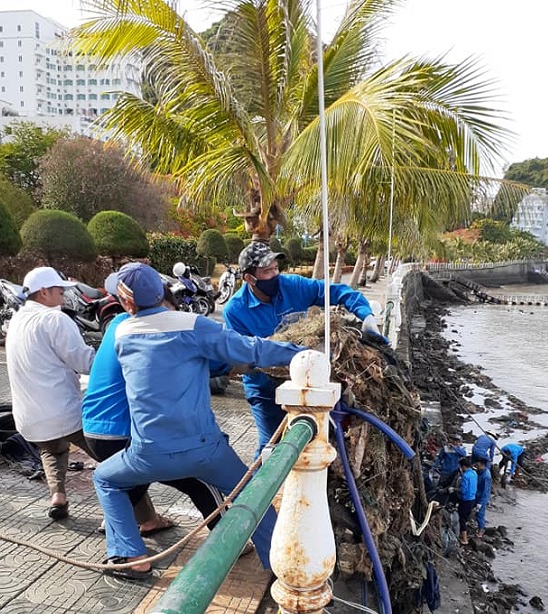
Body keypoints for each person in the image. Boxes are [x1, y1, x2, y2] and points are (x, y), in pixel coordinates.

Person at [92, 263, 307, 579]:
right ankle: (281, 566)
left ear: (127, 303)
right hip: (206, 451)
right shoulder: (194, 325)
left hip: (146, 455)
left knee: (106, 479)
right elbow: (251, 350)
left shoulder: (122, 333)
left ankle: (131, 556)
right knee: (253, 494)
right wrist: (300, 353)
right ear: (164, 291)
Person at [82, 275, 227, 536]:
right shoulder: (151, 332)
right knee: (199, 476)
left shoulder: (118, 325)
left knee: (130, 478)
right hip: (123, 432)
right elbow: (212, 360)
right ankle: (230, 537)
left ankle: (132, 522)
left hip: (94, 429)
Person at [222, 241, 385, 456]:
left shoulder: (292, 286)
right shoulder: (235, 310)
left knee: (317, 437)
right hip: (264, 389)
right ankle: (258, 485)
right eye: (266, 271)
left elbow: (337, 291)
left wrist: (366, 315)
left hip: (306, 379)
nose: (274, 274)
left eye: (275, 268)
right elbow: (243, 355)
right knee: (271, 445)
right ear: (249, 278)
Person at [6, 266, 95, 519]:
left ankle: (58, 496)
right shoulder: (55, 319)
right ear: (43, 292)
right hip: (63, 414)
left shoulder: (17, 320)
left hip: (28, 419)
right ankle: (146, 518)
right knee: (112, 457)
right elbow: (84, 361)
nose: (63, 296)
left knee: (52, 449)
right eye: (59, 290)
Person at [456, 457, 477, 546]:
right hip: (473, 499)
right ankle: (463, 534)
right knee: (466, 517)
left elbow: (463, 490)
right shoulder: (474, 473)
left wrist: (454, 489)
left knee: (462, 519)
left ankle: (465, 539)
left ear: (463, 466)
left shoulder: (465, 476)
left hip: (466, 500)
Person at [473, 457, 491, 537]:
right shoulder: (479, 471)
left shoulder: (486, 476)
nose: (476, 464)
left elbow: (485, 490)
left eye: (477, 463)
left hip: (482, 497)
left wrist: (480, 502)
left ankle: (481, 530)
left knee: (480, 514)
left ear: (481, 464)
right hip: (476, 494)